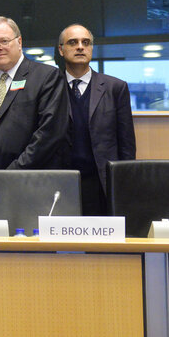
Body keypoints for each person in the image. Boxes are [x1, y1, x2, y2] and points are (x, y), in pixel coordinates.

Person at [0, 16, 69, 217]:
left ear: (19, 42)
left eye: (4, 41)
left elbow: (48, 135)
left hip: (29, 190)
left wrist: (7, 176)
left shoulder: (47, 77)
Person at [58, 24, 136, 215]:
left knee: (102, 244)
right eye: (73, 42)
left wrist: (124, 183)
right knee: (63, 243)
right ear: (61, 50)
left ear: (92, 48)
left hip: (102, 183)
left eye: (86, 42)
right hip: (61, 182)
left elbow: (126, 143)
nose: (80, 47)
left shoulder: (115, 88)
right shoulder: (50, 88)